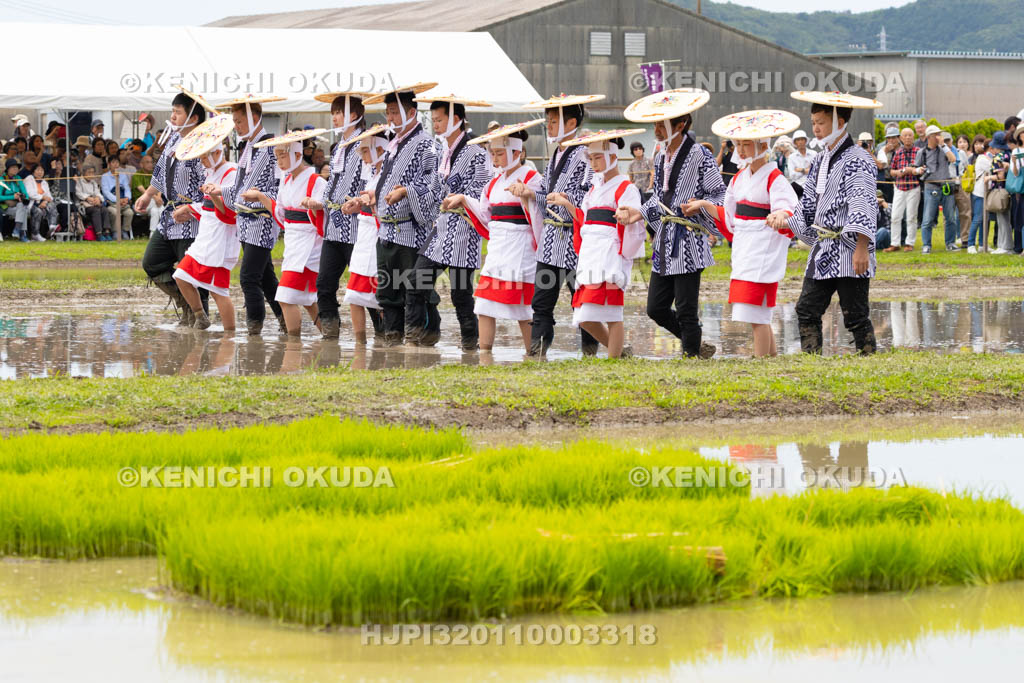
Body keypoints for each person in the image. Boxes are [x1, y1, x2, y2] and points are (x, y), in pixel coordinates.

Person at [766, 91, 881, 355]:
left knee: (855, 314)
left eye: (821, 122)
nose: (815, 128)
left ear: (840, 121)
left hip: (851, 246)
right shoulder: (819, 159)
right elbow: (808, 203)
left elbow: (863, 202)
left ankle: (869, 360)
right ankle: (811, 361)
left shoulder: (859, 158)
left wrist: (862, 246)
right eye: (814, 122)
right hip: (824, 246)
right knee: (806, 308)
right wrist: (786, 219)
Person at [623, 87, 725, 359]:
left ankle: (691, 355)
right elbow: (658, 197)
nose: (656, 128)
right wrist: (637, 213)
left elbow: (720, 194)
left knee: (686, 306)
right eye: (655, 123)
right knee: (655, 308)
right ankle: (696, 342)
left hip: (689, 237)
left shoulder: (701, 155)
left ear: (681, 125)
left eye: (662, 123)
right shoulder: (660, 157)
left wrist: (701, 205)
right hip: (666, 238)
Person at [701, 111, 800, 358]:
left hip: (764, 245)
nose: (741, 149)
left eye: (747, 144)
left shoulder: (775, 178)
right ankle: (770, 359)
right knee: (756, 311)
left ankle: (759, 360)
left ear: (762, 145)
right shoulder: (737, 178)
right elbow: (730, 216)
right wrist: (704, 205)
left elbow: (788, 208)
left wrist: (781, 216)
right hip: (745, 246)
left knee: (756, 310)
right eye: (738, 144)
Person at [516, 93, 604, 357]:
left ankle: (591, 349)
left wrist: (565, 201)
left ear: (571, 123)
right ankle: (538, 349)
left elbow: (589, 194)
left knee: (581, 299)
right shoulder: (556, 155)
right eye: (549, 121)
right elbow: (544, 191)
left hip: (574, 240)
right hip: (551, 239)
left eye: (554, 121)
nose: (549, 126)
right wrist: (531, 194)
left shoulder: (585, 153)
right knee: (541, 299)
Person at [449, 121, 543, 354]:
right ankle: (485, 352)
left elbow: (542, 207)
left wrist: (528, 195)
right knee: (484, 304)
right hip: (499, 247)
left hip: (521, 245)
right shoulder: (492, 183)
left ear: (517, 152)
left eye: (499, 153)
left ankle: (533, 352)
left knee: (523, 308)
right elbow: (484, 213)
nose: (495, 158)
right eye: (492, 153)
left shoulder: (532, 177)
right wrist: (462, 199)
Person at [359, 83, 442, 346]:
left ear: (411, 111)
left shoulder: (428, 144)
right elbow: (385, 179)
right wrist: (374, 196)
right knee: (388, 291)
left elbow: (433, 183)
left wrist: (406, 191)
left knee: (415, 289)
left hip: (412, 230)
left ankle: (423, 335)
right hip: (386, 229)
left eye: (395, 112)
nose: (390, 118)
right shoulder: (394, 144)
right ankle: (391, 339)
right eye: (388, 113)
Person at [406, 96, 492, 349]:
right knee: (415, 280)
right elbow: (433, 187)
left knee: (461, 294)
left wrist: (461, 198)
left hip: (465, 228)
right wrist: (413, 194)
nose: (436, 125)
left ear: (456, 119)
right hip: (441, 227)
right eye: (433, 120)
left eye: (440, 119)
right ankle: (419, 333)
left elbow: (481, 191)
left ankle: (470, 343)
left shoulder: (477, 152)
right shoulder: (443, 151)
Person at [555, 130, 646, 359]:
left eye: (598, 157)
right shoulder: (594, 188)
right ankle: (620, 353)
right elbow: (584, 219)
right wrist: (566, 204)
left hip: (611, 252)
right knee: (585, 316)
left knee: (613, 312)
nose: (593, 163)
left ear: (613, 156)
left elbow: (633, 217)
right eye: (591, 158)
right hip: (591, 252)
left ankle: (614, 360)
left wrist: (627, 216)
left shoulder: (626, 187)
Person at [214, 96, 288, 336]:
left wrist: (260, 195)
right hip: (245, 223)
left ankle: (253, 332)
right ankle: (286, 321)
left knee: (248, 278)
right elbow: (240, 186)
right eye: (234, 121)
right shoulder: (248, 147)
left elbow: (280, 186)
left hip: (262, 222)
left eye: (239, 120)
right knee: (265, 278)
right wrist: (218, 191)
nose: (236, 125)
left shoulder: (272, 146)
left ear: (255, 118)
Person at [135, 90, 209, 326]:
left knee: (193, 273)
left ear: (193, 117)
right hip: (169, 215)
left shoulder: (205, 145)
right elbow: (160, 171)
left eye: (178, 112)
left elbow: (210, 182)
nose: (173, 116)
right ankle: (183, 301)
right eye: (173, 111)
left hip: (193, 218)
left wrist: (195, 207)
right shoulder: (174, 140)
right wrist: (147, 195)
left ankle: (200, 321)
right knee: (152, 262)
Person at [244, 129, 328, 337]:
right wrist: (262, 198)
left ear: (298, 155)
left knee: (285, 296)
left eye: (283, 155)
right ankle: (329, 334)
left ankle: (294, 341)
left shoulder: (316, 180)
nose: (279, 161)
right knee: (308, 300)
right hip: (293, 240)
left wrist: (315, 205)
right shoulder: (286, 180)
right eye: (277, 156)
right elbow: (281, 215)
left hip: (310, 245)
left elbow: (326, 209)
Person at [304, 91, 369, 340]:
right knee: (324, 283)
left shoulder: (364, 143)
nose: (334, 118)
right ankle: (330, 335)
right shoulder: (339, 146)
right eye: (333, 113)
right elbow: (333, 183)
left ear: (354, 114)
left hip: (355, 225)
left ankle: (383, 332)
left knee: (362, 283)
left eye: (338, 113)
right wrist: (319, 202)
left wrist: (359, 201)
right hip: (334, 226)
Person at [173, 143, 239, 331]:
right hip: (206, 235)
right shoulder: (211, 172)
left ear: (218, 152)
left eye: (204, 157)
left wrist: (215, 194)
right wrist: (190, 209)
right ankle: (200, 316)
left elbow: (230, 212)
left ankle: (229, 333)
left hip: (221, 239)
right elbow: (208, 206)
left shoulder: (232, 173)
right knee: (181, 275)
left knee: (218, 290)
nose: (202, 162)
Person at [342, 127, 388, 344]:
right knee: (353, 295)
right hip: (364, 234)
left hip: (379, 235)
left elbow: (387, 204)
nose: (362, 156)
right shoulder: (373, 173)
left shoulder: (389, 172)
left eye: (365, 150)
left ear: (379, 148)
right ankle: (360, 342)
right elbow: (367, 202)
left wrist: (370, 203)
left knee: (380, 297)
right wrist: (355, 204)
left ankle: (385, 336)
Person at [916, 125, 959, 253]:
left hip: (946, 185)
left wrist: (944, 146)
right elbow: (916, 169)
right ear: (929, 137)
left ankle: (950, 243)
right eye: (936, 135)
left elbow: (953, 159)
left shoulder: (944, 150)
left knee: (950, 216)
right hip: (930, 187)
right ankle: (926, 244)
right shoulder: (921, 152)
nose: (939, 137)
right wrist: (920, 170)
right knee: (928, 218)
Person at [885, 128, 921, 252]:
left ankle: (909, 243)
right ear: (901, 138)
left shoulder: (919, 151)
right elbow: (891, 171)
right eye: (905, 135)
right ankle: (895, 243)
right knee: (895, 216)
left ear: (913, 137)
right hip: (899, 187)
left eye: (910, 135)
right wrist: (900, 172)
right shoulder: (898, 153)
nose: (907, 138)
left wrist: (915, 170)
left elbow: (924, 168)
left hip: (914, 187)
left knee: (911, 216)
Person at [987, 131, 1013, 254]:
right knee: (1005, 219)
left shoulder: (998, 157)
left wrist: (988, 178)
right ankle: (1003, 245)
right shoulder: (1009, 154)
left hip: (999, 189)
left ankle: (1005, 246)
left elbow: (1000, 176)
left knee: (1002, 219)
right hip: (1007, 189)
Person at [101, 157, 133, 241]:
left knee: (129, 213)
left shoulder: (123, 175)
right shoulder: (105, 176)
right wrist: (118, 200)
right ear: (109, 164)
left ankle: (124, 231)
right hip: (112, 203)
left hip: (123, 203)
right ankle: (115, 231)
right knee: (115, 212)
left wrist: (127, 198)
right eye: (113, 162)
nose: (115, 164)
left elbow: (127, 188)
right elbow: (106, 192)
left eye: (117, 162)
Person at [966, 136, 990, 253]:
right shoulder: (982, 159)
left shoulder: (983, 157)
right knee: (978, 219)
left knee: (985, 219)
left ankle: (982, 244)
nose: (978, 146)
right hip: (979, 193)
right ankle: (970, 244)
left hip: (985, 193)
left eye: (981, 143)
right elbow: (994, 168)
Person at [75, 165, 110, 239]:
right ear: (84, 173)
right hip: (84, 205)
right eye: (89, 172)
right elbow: (78, 193)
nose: (91, 174)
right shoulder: (79, 181)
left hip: (94, 203)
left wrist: (98, 198)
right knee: (96, 211)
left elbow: (98, 193)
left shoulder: (93, 182)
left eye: (92, 173)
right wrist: (88, 198)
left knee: (104, 209)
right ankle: (99, 234)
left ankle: (106, 232)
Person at [131, 155, 162, 237]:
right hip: (141, 204)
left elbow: (159, 188)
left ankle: (152, 233)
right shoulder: (137, 175)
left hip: (155, 202)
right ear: (141, 164)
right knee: (160, 208)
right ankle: (162, 232)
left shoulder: (154, 174)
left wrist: (158, 197)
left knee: (155, 210)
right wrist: (156, 198)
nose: (150, 164)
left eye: (151, 162)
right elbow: (144, 192)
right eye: (147, 162)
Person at [951, 133, 973, 247]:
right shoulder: (943, 152)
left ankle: (965, 238)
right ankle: (950, 239)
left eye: (964, 141)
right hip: (948, 183)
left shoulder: (962, 153)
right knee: (948, 214)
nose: (962, 144)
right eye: (960, 142)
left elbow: (966, 167)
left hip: (961, 184)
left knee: (965, 212)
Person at [24, 164, 56, 241]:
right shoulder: (29, 179)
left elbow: (49, 196)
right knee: (38, 211)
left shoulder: (44, 182)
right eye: (38, 170)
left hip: (43, 203)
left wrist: (44, 201)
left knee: (52, 204)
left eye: (42, 170)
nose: (40, 172)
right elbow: (29, 193)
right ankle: (35, 234)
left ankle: (52, 227)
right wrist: (42, 197)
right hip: (32, 203)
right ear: (33, 171)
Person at [0, 159, 29, 241]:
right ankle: (22, 234)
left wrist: (22, 197)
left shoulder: (18, 178)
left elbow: (25, 193)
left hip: (18, 206)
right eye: (13, 167)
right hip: (5, 207)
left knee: (22, 206)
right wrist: (12, 197)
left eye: (16, 167)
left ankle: (17, 230)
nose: (15, 169)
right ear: (8, 169)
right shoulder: (2, 180)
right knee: (24, 210)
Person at [785, 129, 816, 198]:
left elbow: (817, 171)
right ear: (795, 143)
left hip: (813, 185)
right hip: (798, 186)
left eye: (802, 139)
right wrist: (807, 170)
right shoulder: (792, 157)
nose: (800, 142)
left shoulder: (814, 154)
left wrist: (801, 170)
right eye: (798, 140)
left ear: (805, 141)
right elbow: (792, 175)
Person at [874, 124, 900, 204]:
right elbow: (878, 165)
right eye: (889, 138)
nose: (891, 140)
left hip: (899, 182)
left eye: (893, 138)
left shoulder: (902, 149)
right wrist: (885, 151)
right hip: (885, 181)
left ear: (898, 138)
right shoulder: (881, 147)